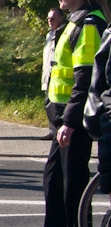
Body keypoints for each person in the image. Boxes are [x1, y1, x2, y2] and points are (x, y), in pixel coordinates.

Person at [27, 0, 108, 227]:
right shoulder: (75, 22)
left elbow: (85, 78)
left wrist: (70, 122)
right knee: (53, 179)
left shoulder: (89, 24)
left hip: (76, 116)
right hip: (63, 115)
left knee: (73, 183)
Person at [42, 8, 66, 141]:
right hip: (48, 74)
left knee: (55, 105)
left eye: (53, 18)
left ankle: (57, 129)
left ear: (61, 18)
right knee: (48, 104)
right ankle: (52, 130)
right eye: (48, 19)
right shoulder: (49, 34)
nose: (50, 21)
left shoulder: (63, 33)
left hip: (57, 75)